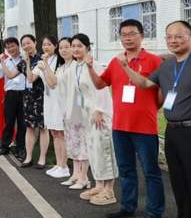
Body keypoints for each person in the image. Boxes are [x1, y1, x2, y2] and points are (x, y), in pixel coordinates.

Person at [118, 20, 191, 218]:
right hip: (173, 131)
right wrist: (125, 67)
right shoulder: (167, 66)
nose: (173, 40)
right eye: (169, 37)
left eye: (179, 36)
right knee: (179, 183)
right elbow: (144, 83)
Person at [85, 19, 164, 218]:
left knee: (151, 171)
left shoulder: (153, 61)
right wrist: (90, 68)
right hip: (120, 125)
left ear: (142, 35)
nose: (128, 38)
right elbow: (100, 84)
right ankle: (128, 207)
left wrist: (154, 108)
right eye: (124, 34)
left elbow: (160, 91)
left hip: (145, 127)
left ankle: (155, 211)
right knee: (126, 169)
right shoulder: (115, 61)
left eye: (132, 33)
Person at [65, 34, 118, 205]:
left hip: (99, 114)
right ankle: (98, 185)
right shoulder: (76, 66)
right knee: (93, 150)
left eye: (79, 46)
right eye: (73, 46)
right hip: (86, 114)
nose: (75, 49)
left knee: (104, 150)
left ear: (88, 47)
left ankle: (109, 190)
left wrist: (99, 110)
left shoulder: (94, 65)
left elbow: (101, 89)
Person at [33, 37, 73, 179]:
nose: (46, 47)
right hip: (49, 100)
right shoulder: (47, 61)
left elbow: (53, 83)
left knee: (61, 133)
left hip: (59, 100)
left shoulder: (59, 61)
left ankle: (64, 165)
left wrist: (45, 65)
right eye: (44, 44)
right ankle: (59, 163)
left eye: (49, 44)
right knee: (54, 133)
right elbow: (32, 78)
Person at [17, 34, 49, 169]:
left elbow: (31, 79)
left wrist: (28, 63)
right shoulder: (22, 60)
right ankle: (28, 157)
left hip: (41, 96)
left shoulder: (41, 59)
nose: (26, 46)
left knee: (42, 127)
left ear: (35, 42)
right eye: (23, 44)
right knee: (29, 127)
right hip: (28, 97)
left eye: (28, 43)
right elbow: (11, 74)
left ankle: (42, 158)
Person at [0, 37, 26, 160]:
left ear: (18, 45)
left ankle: (20, 148)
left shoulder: (25, 59)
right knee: (9, 121)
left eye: (12, 46)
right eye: (8, 47)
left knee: (23, 123)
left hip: (24, 93)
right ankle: (5, 146)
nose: (10, 49)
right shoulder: (6, 61)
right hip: (10, 94)